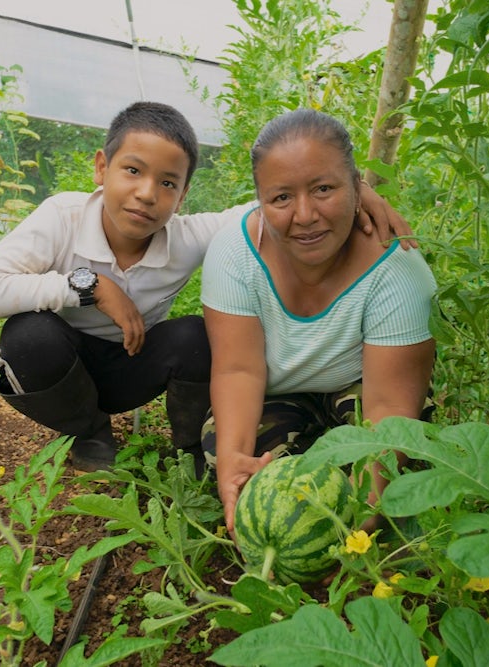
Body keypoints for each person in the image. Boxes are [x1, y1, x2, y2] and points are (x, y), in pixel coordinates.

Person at [0, 101, 412, 472]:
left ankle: (190, 448)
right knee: (28, 337)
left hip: (131, 365)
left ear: (183, 196)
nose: (146, 193)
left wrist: (356, 193)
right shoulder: (62, 217)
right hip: (63, 366)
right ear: (102, 167)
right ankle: (89, 431)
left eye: (168, 183)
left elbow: (271, 204)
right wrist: (89, 286)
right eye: (133, 171)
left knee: (195, 335)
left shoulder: (188, 236)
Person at [200, 108, 437, 533]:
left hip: (359, 387)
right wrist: (234, 462)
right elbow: (239, 369)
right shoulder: (234, 251)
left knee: (409, 449)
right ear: (260, 200)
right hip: (276, 389)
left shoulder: (397, 269)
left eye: (324, 188)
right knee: (224, 447)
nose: (305, 215)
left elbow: (388, 408)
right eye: (282, 198)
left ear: (358, 189)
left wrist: (354, 522)